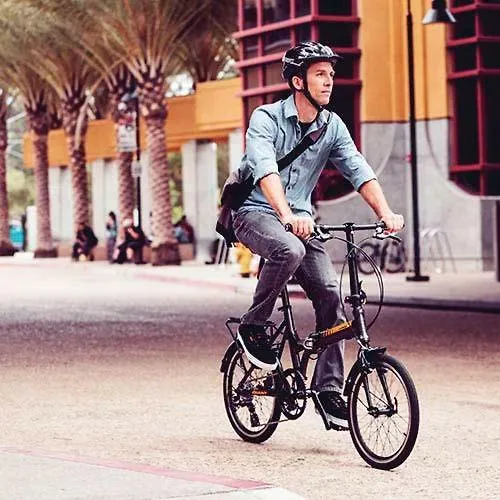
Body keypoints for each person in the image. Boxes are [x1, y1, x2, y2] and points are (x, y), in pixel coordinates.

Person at [232, 41, 404, 431]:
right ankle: (253, 325)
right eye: (320, 74)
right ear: (298, 81)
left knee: (330, 295)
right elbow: (264, 170)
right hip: (255, 214)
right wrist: (287, 214)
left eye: (331, 74)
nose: (329, 81)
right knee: (288, 247)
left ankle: (328, 391)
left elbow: (359, 170)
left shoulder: (332, 126)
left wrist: (386, 213)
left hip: (300, 220)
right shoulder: (266, 119)